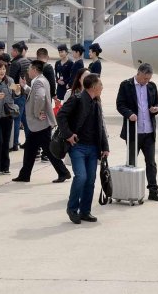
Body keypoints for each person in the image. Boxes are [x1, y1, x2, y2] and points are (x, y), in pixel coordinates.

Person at [56, 74, 110, 224]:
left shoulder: (97, 102)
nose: (102, 87)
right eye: (100, 85)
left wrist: (105, 147)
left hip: (93, 148)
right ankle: (72, 209)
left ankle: (85, 211)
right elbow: (61, 115)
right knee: (81, 177)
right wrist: (68, 135)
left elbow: (100, 126)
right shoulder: (77, 99)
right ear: (93, 86)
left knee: (90, 180)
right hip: (77, 147)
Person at [13, 61, 72, 183]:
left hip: (40, 123)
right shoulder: (42, 80)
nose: (28, 71)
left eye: (29, 69)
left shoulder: (38, 81)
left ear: (34, 69)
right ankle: (25, 174)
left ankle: (63, 172)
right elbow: (35, 94)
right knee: (30, 149)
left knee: (48, 150)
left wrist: (37, 112)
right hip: (39, 124)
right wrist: (25, 87)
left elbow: (40, 97)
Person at [116, 63, 158, 202]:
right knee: (131, 162)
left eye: (148, 79)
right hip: (134, 132)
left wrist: (156, 108)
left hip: (149, 131)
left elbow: (157, 103)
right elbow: (120, 104)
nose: (146, 81)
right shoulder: (126, 85)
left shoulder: (151, 86)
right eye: (144, 78)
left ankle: (153, 190)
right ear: (138, 74)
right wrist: (129, 114)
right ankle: (129, 189)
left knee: (151, 162)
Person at [8, 41, 31, 150]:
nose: (11, 52)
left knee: (16, 119)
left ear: (16, 51)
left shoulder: (15, 63)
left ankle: (14, 143)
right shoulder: (27, 61)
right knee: (25, 119)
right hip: (26, 93)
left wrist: (12, 92)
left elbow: (11, 81)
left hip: (18, 94)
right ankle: (29, 140)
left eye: (12, 50)